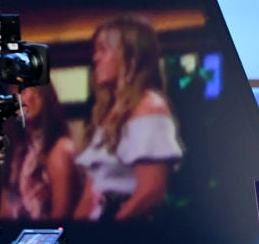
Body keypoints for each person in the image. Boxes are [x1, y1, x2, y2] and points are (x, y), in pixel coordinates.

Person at [74, 15, 183, 221]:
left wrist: (110, 233)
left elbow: (151, 192)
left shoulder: (149, 107)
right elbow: (92, 190)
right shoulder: (109, 113)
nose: (95, 58)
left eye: (103, 50)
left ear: (130, 58)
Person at [1, 82, 82, 220]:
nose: (30, 98)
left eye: (37, 93)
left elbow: (61, 218)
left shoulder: (60, 150)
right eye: (23, 91)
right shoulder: (15, 151)